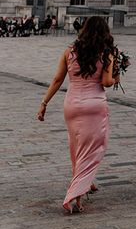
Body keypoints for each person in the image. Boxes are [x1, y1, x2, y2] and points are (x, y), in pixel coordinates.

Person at [37, 16, 118, 213]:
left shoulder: (69, 52)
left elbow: (57, 79)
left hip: (72, 105)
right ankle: (76, 193)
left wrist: (44, 102)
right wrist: (116, 75)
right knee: (94, 149)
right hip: (94, 105)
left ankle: (85, 182)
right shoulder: (106, 54)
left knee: (77, 146)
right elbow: (106, 82)